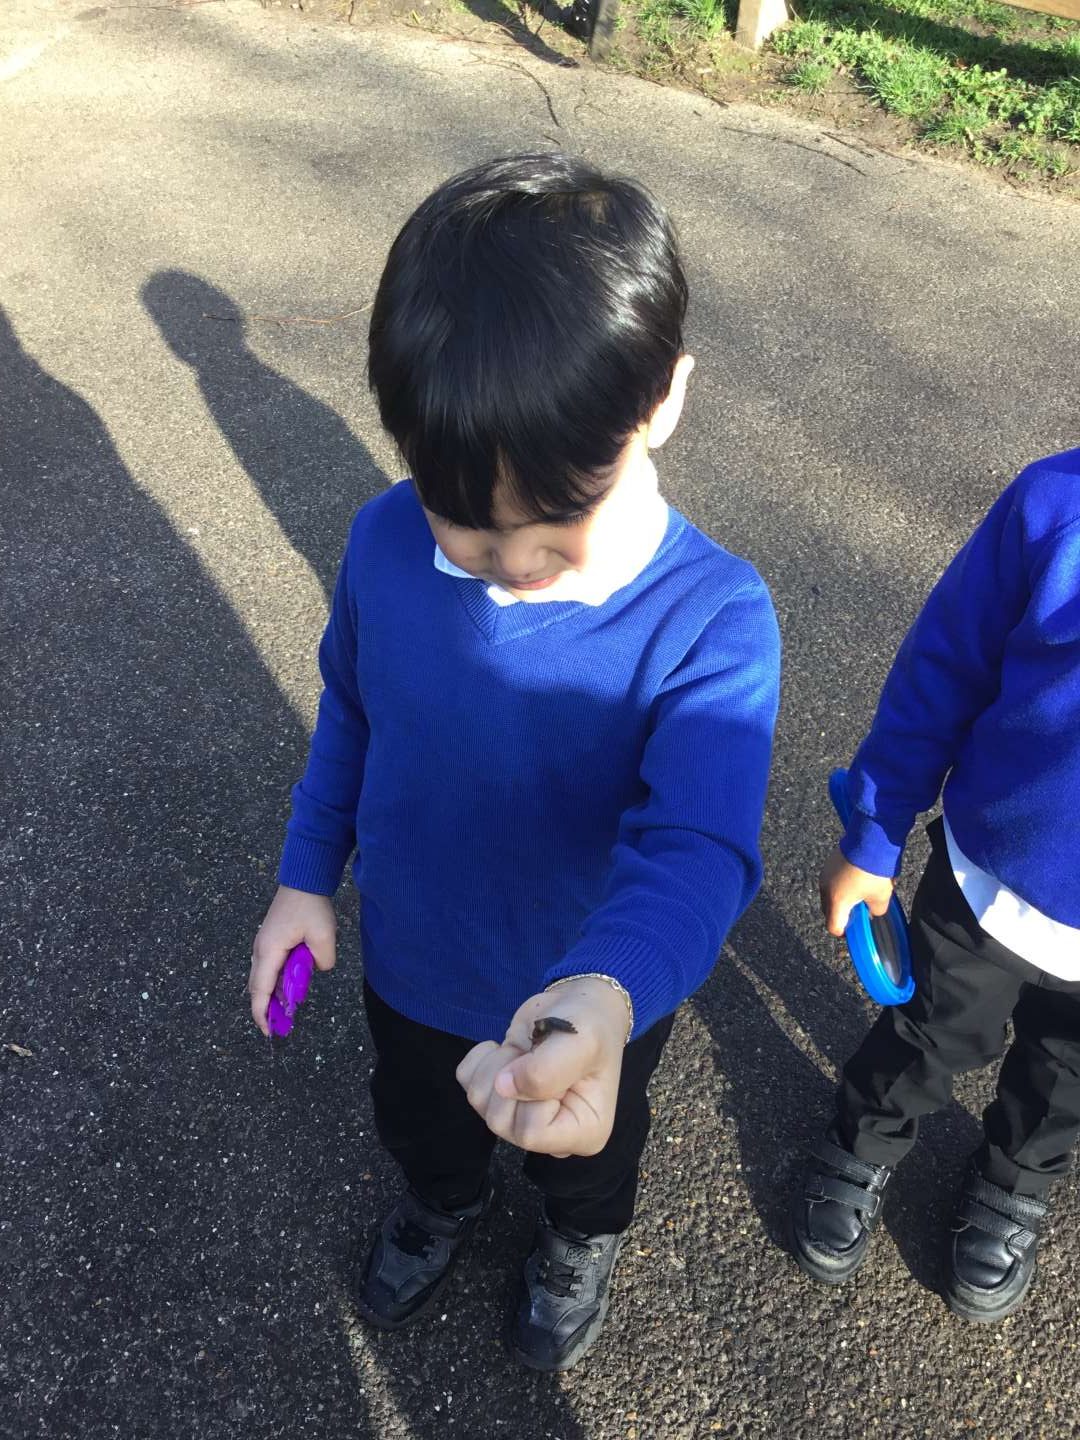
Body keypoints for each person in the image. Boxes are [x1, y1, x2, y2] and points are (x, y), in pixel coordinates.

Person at [248, 153, 780, 1370]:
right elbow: (352, 710)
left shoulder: (713, 617)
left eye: (555, 524)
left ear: (661, 401)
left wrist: (610, 988)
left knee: (588, 1147)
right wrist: (303, 875)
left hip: (591, 988)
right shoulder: (384, 543)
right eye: (472, 533)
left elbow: (699, 847)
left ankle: (580, 1238)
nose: (519, 566)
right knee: (423, 1119)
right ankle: (442, 1201)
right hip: (415, 957)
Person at [790, 447, 1080, 1322]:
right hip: (989, 877)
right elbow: (945, 666)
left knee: (1065, 1082)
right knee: (927, 1034)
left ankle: (1015, 1184)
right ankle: (864, 1141)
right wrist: (874, 833)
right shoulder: (1056, 502)